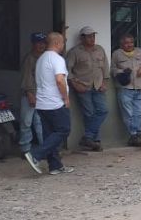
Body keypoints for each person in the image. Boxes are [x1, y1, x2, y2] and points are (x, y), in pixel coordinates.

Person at [24, 32, 74, 175]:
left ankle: (55, 166)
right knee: (64, 130)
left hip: (42, 103)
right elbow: (59, 80)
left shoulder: (41, 58)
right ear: (57, 43)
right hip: (55, 103)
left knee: (49, 134)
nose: (63, 46)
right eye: (63, 43)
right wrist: (66, 98)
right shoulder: (57, 59)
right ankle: (35, 154)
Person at [66, 26, 109, 151]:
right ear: (82, 38)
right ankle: (95, 141)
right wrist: (75, 84)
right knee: (89, 114)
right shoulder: (74, 52)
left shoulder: (99, 49)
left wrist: (105, 82)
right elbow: (67, 70)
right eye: (89, 36)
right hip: (83, 86)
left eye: (93, 36)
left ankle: (88, 137)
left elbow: (105, 67)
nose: (92, 39)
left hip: (98, 86)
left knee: (103, 111)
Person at [111, 34, 141, 147]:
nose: (129, 45)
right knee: (128, 113)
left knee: (139, 113)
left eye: (131, 42)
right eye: (126, 43)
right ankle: (133, 135)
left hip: (139, 87)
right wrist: (122, 72)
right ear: (121, 44)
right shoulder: (117, 54)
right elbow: (113, 69)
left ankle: (138, 134)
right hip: (125, 88)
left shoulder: (139, 51)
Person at [18, 32, 46, 155]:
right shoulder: (29, 58)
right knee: (26, 122)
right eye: (39, 42)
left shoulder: (45, 57)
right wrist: (30, 94)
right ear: (33, 44)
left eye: (43, 43)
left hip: (43, 95)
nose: (41, 45)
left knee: (40, 123)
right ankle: (25, 149)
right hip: (30, 94)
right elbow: (26, 78)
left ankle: (44, 148)